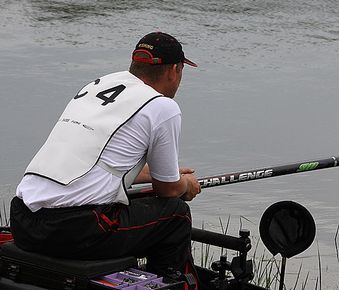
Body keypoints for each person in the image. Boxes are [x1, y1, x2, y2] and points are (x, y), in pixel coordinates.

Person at [10, 32, 202, 284]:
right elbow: (166, 190)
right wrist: (185, 184)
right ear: (174, 71)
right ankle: (165, 285)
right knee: (176, 214)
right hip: (75, 229)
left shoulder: (98, 85)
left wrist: (170, 174)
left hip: (23, 220)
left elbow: (101, 162)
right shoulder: (162, 106)